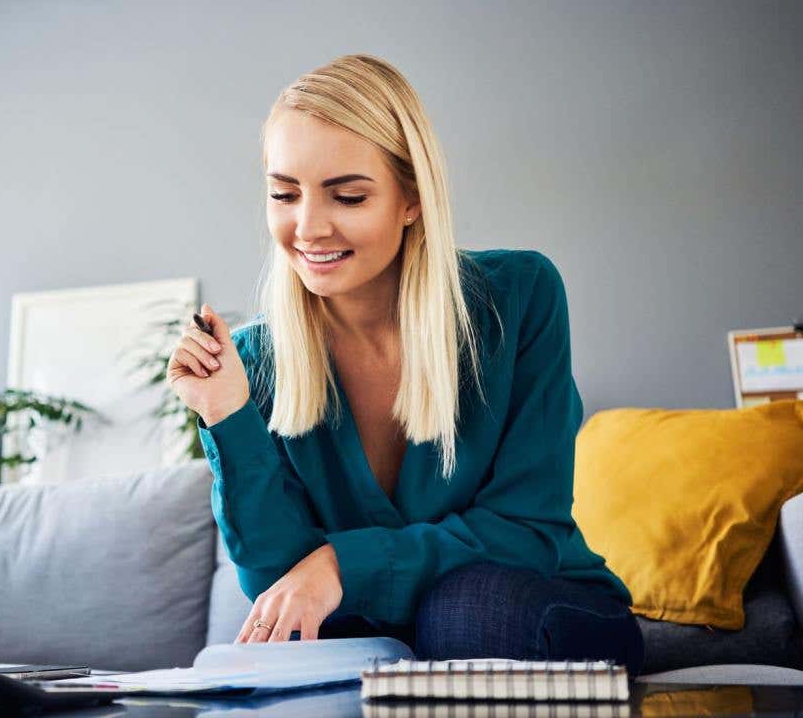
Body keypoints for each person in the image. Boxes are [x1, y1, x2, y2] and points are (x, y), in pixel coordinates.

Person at [167, 54, 644, 676]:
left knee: (462, 610)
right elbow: (274, 581)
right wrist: (227, 413)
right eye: (284, 194)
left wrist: (341, 566)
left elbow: (525, 531)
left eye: (349, 196)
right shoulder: (256, 360)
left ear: (411, 199)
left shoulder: (519, 295)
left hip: (537, 609)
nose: (307, 227)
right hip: (378, 642)